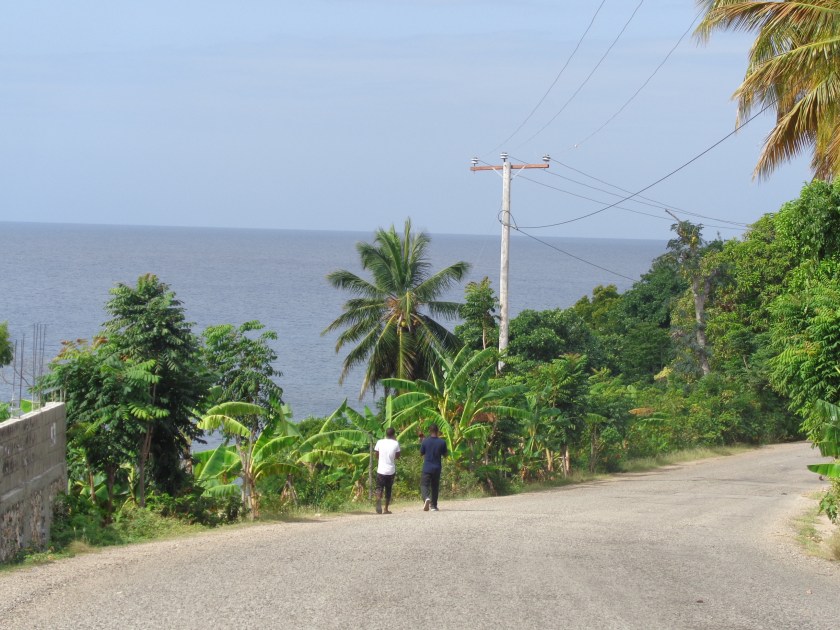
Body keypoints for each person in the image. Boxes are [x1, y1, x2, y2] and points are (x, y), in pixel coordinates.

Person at [419, 424, 447, 512]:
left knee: (424, 485)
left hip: (427, 467)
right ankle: (434, 506)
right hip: (437, 467)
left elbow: (421, 453)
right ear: (437, 431)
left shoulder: (425, 441)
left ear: (430, 431)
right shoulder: (442, 442)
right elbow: (445, 455)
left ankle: (426, 498)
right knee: (435, 486)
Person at [373, 427, 400, 514]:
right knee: (388, 489)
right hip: (391, 470)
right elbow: (398, 457)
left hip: (381, 470)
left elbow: (376, 455)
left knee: (379, 488)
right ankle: (386, 509)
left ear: (386, 434)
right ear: (393, 434)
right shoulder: (395, 443)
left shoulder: (379, 442)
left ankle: (378, 501)